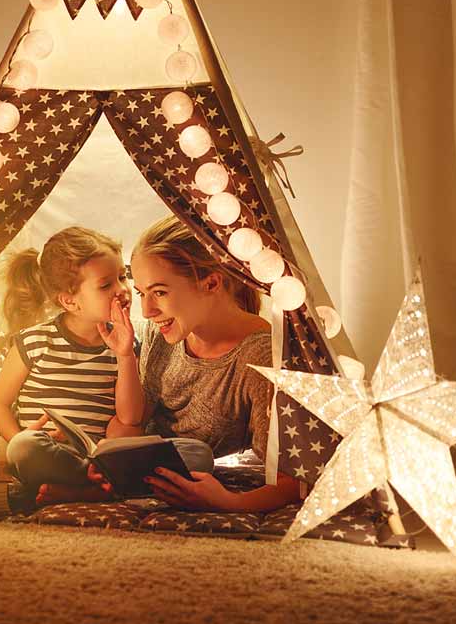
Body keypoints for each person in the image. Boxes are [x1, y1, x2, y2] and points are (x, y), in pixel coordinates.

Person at [94, 215, 301, 513]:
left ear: (212, 283)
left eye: (160, 292)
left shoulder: (261, 355)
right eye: (142, 293)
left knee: (196, 455)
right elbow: (131, 425)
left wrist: (229, 502)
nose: (147, 310)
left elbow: (291, 480)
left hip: (193, 465)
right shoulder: (161, 333)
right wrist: (126, 356)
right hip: (151, 461)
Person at [0, 226, 140, 504]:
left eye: (122, 277)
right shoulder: (34, 341)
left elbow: (130, 418)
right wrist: (19, 437)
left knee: (191, 453)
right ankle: (86, 485)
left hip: (97, 457)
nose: (122, 290)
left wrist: (126, 355)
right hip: (46, 452)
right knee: (25, 448)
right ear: (69, 301)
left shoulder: (127, 345)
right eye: (106, 285)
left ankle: (81, 488)